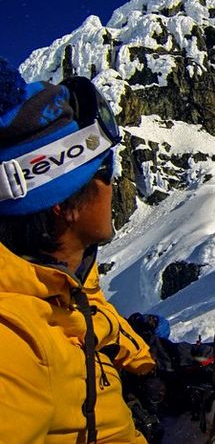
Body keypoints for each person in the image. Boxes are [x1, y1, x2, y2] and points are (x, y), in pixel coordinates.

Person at [0, 58, 156, 443]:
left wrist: (152, 357)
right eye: (103, 172)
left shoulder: (68, 278)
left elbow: (92, 319)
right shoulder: (15, 345)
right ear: (63, 205)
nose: (115, 185)